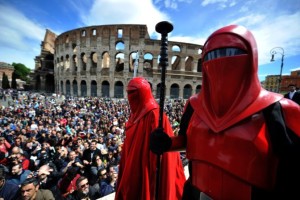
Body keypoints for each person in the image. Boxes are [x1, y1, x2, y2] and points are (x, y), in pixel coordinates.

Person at [150, 25, 300, 200]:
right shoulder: (194, 106)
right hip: (196, 194)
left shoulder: (280, 110)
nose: (220, 61)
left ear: (252, 58)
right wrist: (167, 144)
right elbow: (187, 141)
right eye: (211, 56)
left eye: (231, 52)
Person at [115, 77, 186, 200]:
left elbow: (166, 154)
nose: (129, 96)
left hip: (147, 170)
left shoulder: (155, 115)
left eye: (133, 93)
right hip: (133, 168)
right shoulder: (134, 114)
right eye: (128, 93)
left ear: (143, 93)